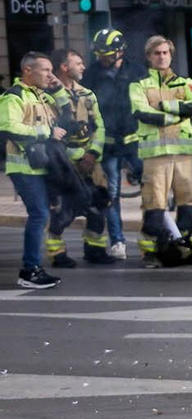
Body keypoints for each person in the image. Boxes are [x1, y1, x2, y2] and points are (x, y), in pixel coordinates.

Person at [129, 35, 192, 267]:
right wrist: (178, 114)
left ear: (171, 55)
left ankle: (186, 247)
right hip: (155, 156)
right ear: (149, 57)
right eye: (156, 53)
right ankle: (150, 251)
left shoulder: (185, 82)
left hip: (184, 154)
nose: (161, 57)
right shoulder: (138, 85)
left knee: (189, 202)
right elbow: (142, 113)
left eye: (165, 52)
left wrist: (165, 107)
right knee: (154, 204)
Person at [2, 52, 67, 288]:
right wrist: (46, 133)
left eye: (51, 70)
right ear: (28, 71)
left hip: (43, 165)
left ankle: (33, 268)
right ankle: (29, 270)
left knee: (45, 214)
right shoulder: (14, 96)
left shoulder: (42, 96)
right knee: (39, 214)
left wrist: (59, 89)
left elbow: (68, 115)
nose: (50, 75)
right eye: (46, 70)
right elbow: (10, 128)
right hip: (23, 167)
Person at [47, 49, 113, 267]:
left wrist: (93, 154)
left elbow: (99, 127)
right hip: (63, 164)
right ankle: (58, 253)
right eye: (78, 63)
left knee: (99, 203)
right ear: (64, 67)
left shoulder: (87, 94)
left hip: (91, 161)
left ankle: (95, 249)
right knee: (64, 210)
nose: (83, 67)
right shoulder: (47, 96)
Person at [81, 28, 140, 259]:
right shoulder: (93, 74)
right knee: (111, 194)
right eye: (99, 54)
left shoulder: (136, 72)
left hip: (135, 144)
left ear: (119, 52)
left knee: (153, 188)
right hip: (108, 147)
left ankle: (158, 236)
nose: (101, 58)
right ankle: (118, 241)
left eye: (105, 54)